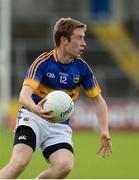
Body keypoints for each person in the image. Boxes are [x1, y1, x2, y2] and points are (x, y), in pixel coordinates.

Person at [0, 17, 112, 179]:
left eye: (84, 38)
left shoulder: (82, 68)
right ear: (64, 40)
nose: (84, 43)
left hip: (59, 126)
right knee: (19, 163)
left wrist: (104, 131)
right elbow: (24, 96)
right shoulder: (43, 63)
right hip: (32, 118)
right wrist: (36, 109)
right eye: (79, 37)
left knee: (64, 167)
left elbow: (98, 101)